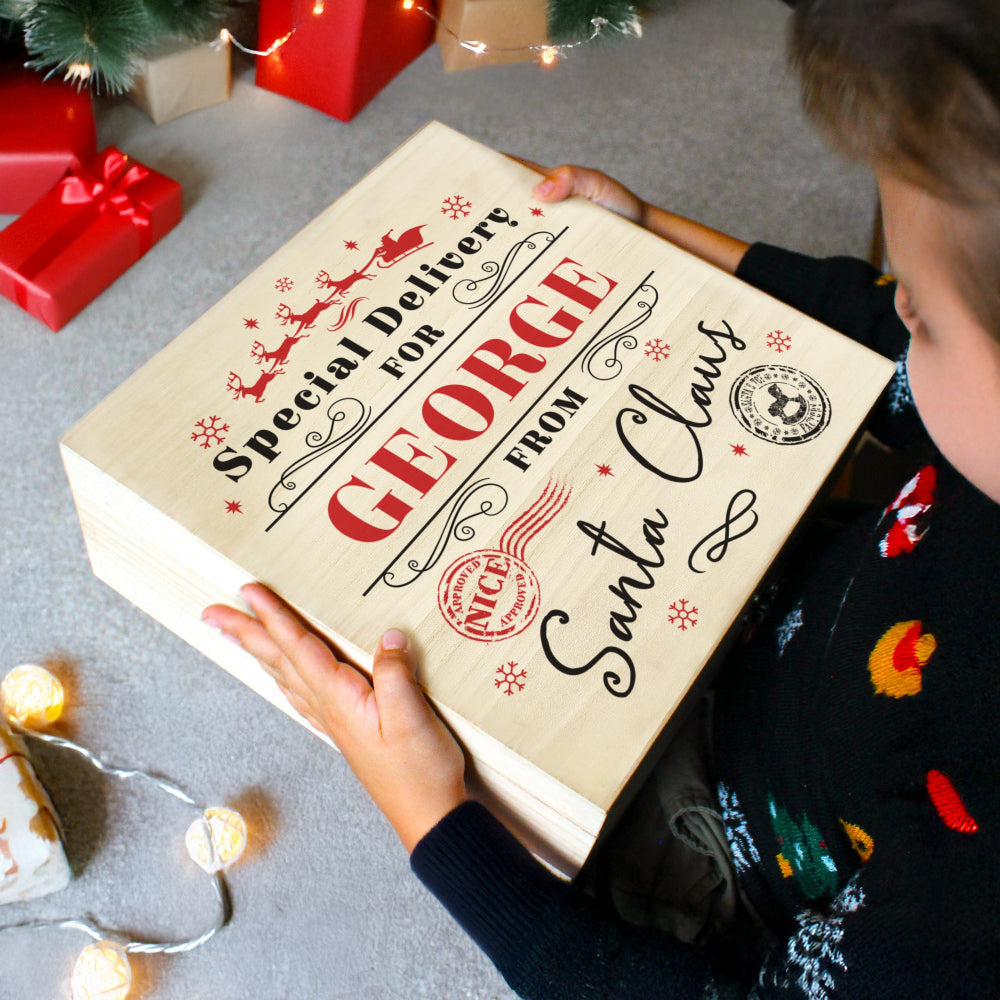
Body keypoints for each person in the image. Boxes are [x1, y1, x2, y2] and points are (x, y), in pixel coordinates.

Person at [202, 0, 1000, 995]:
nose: (900, 305)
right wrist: (656, 234)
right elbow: (867, 328)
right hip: (804, 607)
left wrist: (433, 820)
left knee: (425, 709)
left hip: (728, 850)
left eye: (929, 315)